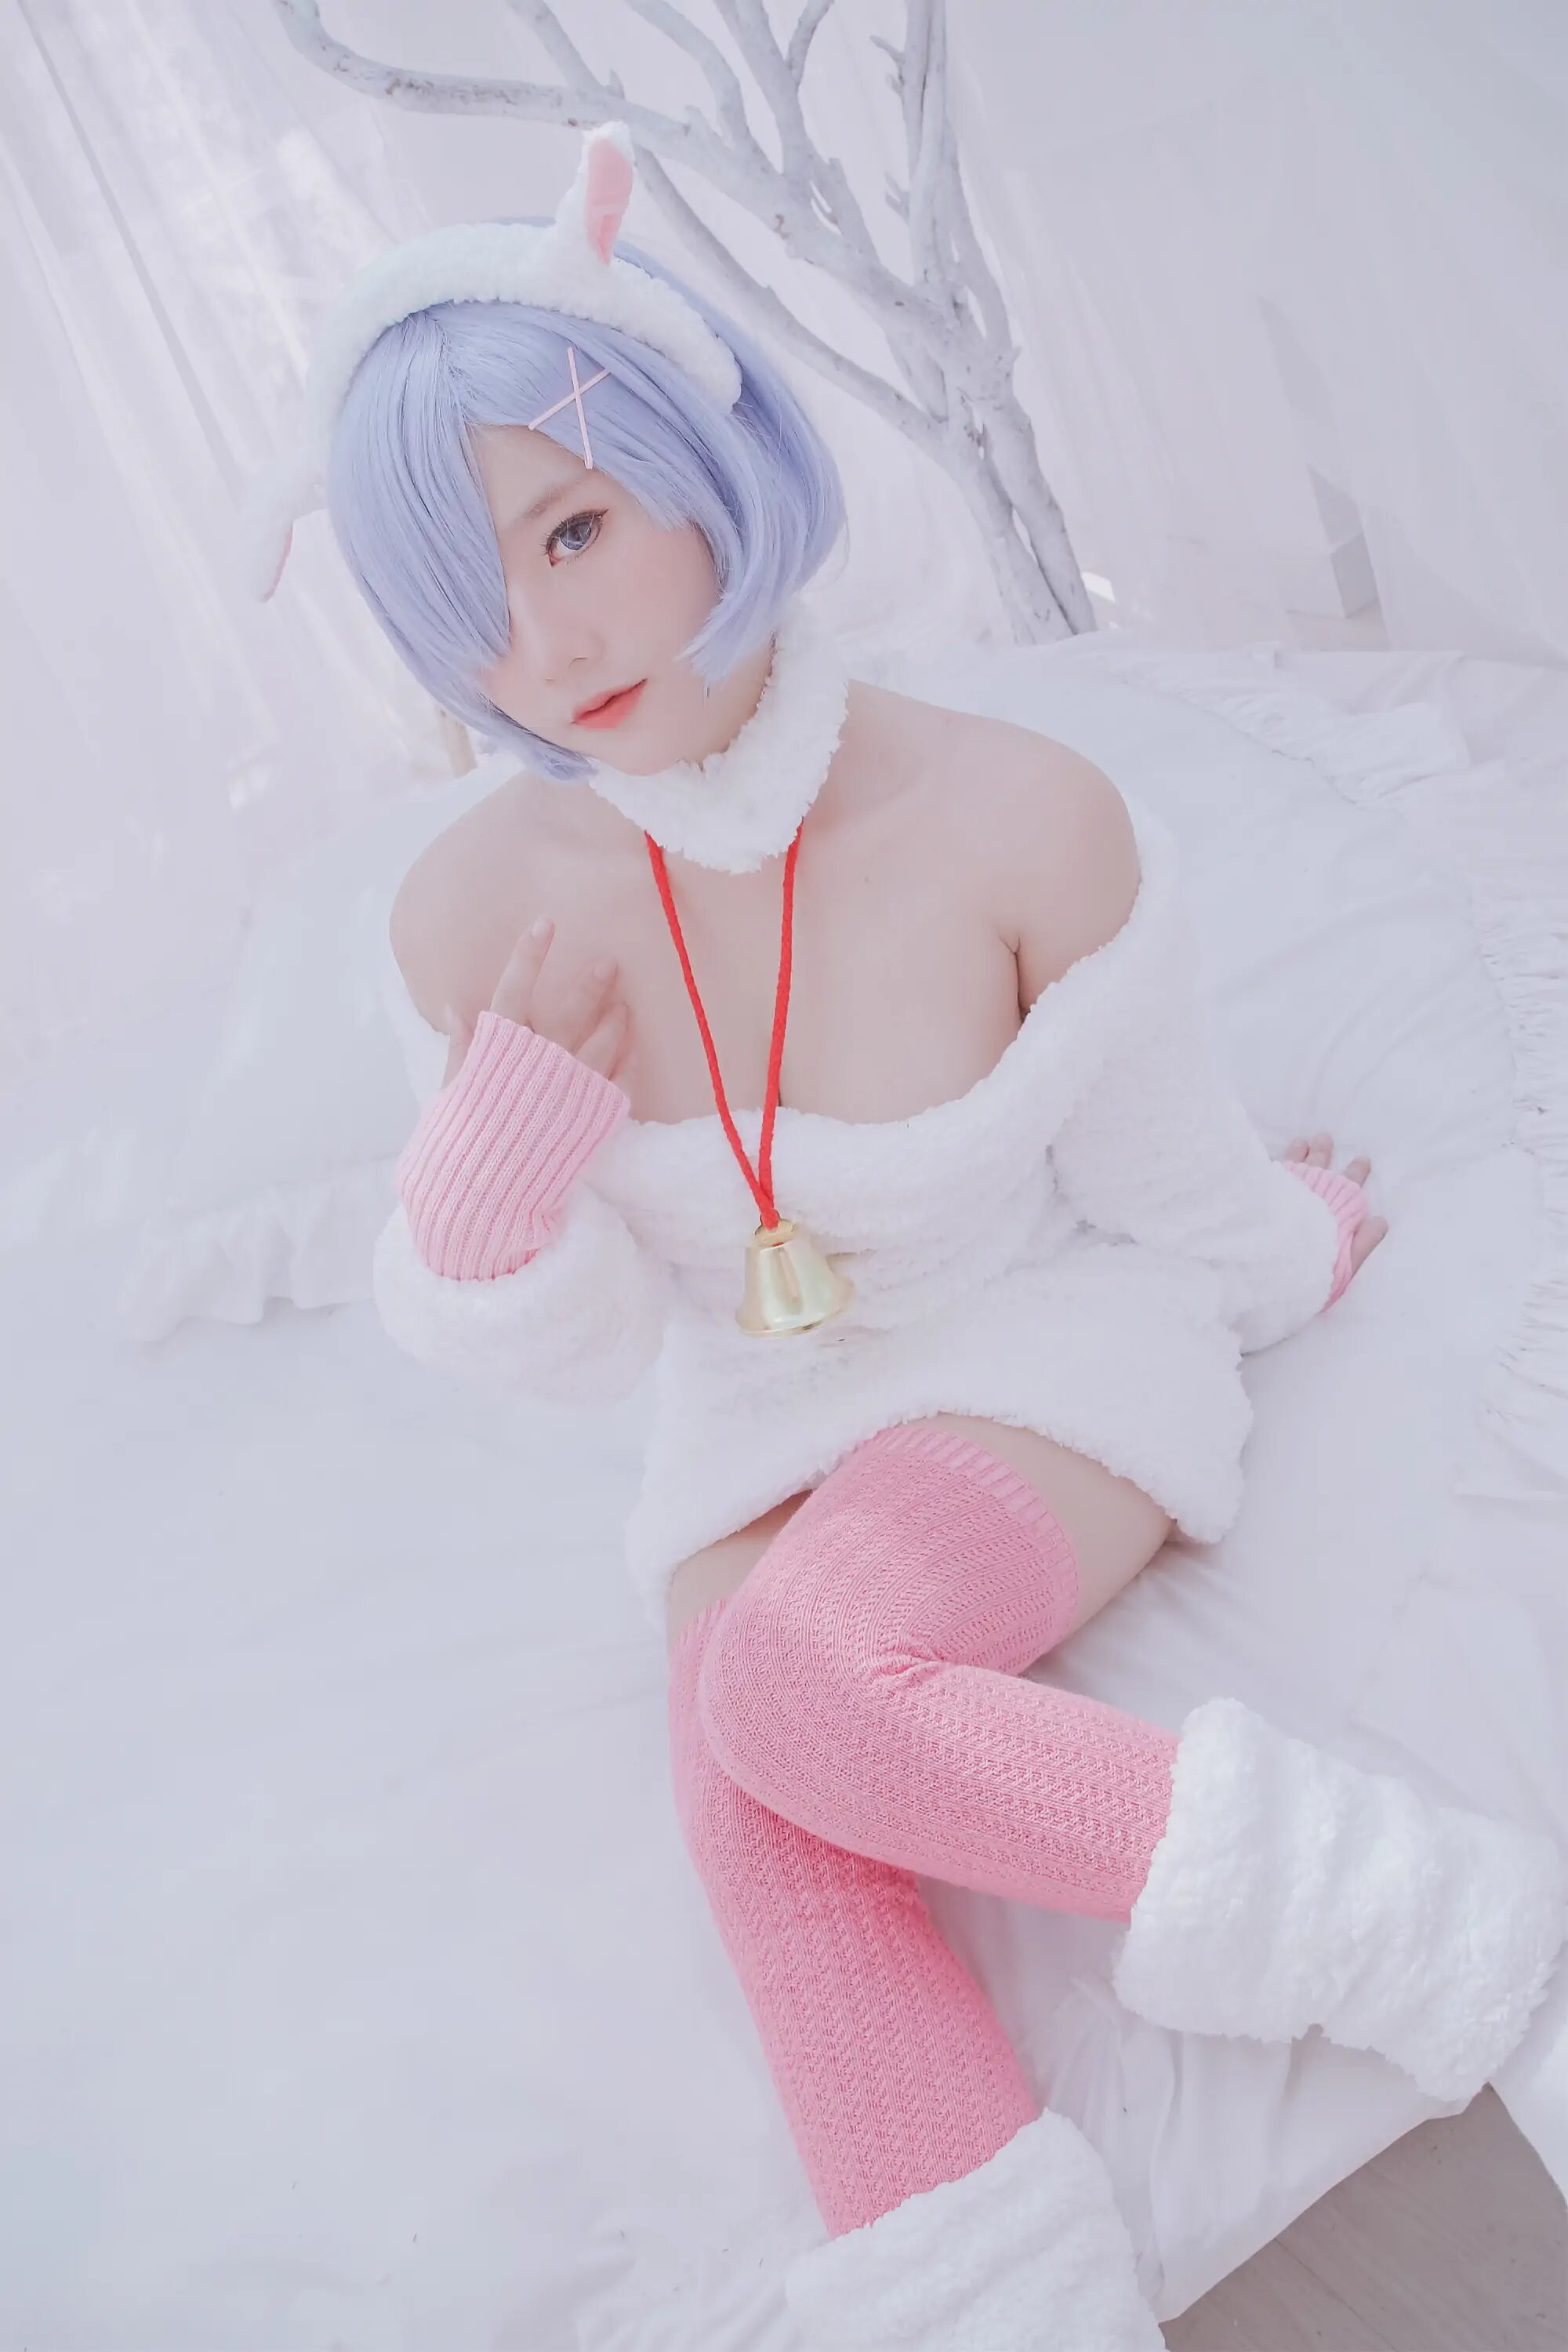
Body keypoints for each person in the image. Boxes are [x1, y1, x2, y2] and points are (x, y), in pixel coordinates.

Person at [252, 123, 1566, 2352]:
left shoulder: (1014, 811)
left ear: (697, 463)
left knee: (791, 1688)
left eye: (572, 526)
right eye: (466, 591)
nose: (544, 643)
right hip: (741, 1428)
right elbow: (588, 1345)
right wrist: (489, 1187)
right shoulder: (467, 915)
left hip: (1039, 1350)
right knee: (765, 1815)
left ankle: (1410, 1917)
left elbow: (1174, 1187)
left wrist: (1300, 1241)